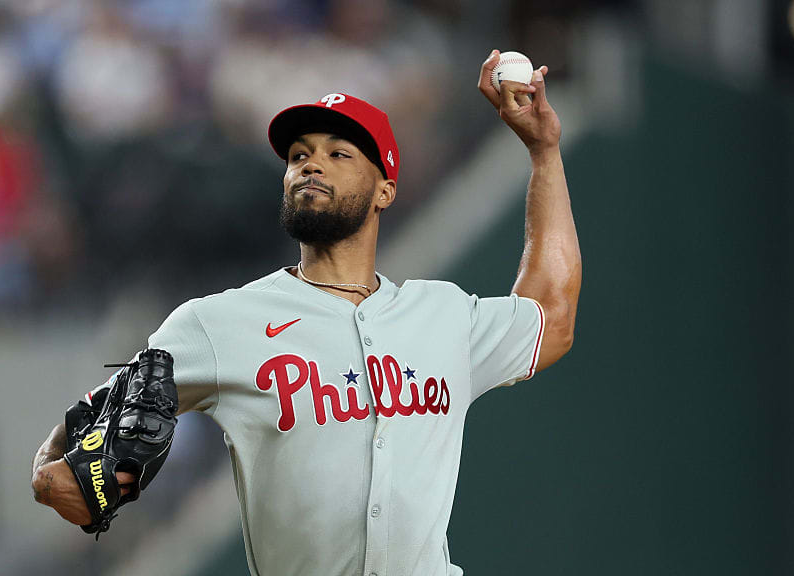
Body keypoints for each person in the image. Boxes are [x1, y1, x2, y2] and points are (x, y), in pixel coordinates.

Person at [31, 50, 581, 576]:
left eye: (338, 153)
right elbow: (73, 489)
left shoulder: (442, 314)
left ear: (385, 190)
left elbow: (550, 318)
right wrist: (52, 469)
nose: (311, 164)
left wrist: (544, 152)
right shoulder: (215, 324)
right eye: (298, 155)